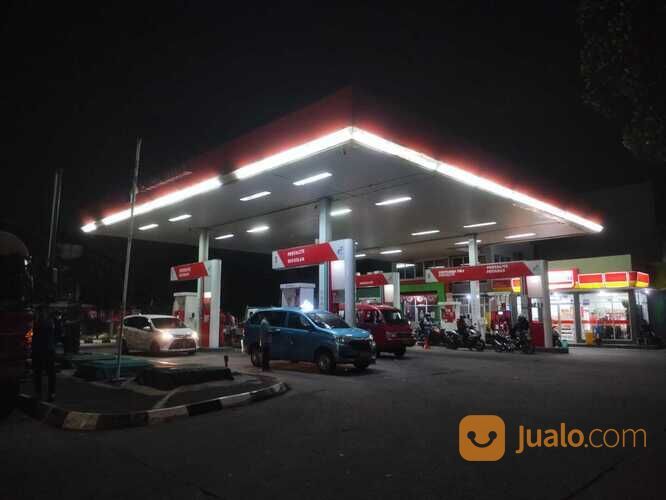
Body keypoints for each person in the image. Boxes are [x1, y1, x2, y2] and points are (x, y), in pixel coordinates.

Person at [32, 305, 56, 402]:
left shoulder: (43, 323)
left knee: (41, 373)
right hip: (44, 350)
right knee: (44, 373)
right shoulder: (47, 322)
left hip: (44, 350)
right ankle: (48, 393)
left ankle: (45, 393)